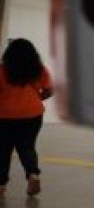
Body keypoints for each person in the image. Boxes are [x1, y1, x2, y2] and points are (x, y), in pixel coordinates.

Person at [0, 39, 54, 198]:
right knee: (27, 147)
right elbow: (50, 90)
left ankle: (1, 185)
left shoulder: (2, 70)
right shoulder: (39, 70)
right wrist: (37, 99)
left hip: (5, 116)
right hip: (33, 114)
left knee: (3, 150)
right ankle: (33, 174)